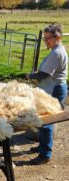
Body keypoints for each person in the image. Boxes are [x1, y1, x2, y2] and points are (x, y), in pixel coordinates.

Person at [25, 23, 68, 165]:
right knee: (44, 119)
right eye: (44, 38)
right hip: (53, 87)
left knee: (48, 121)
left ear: (58, 37)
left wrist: (30, 76)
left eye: (48, 38)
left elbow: (44, 74)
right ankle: (42, 146)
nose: (46, 41)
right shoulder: (57, 50)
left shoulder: (56, 53)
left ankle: (45, 154)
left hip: (54, 88)